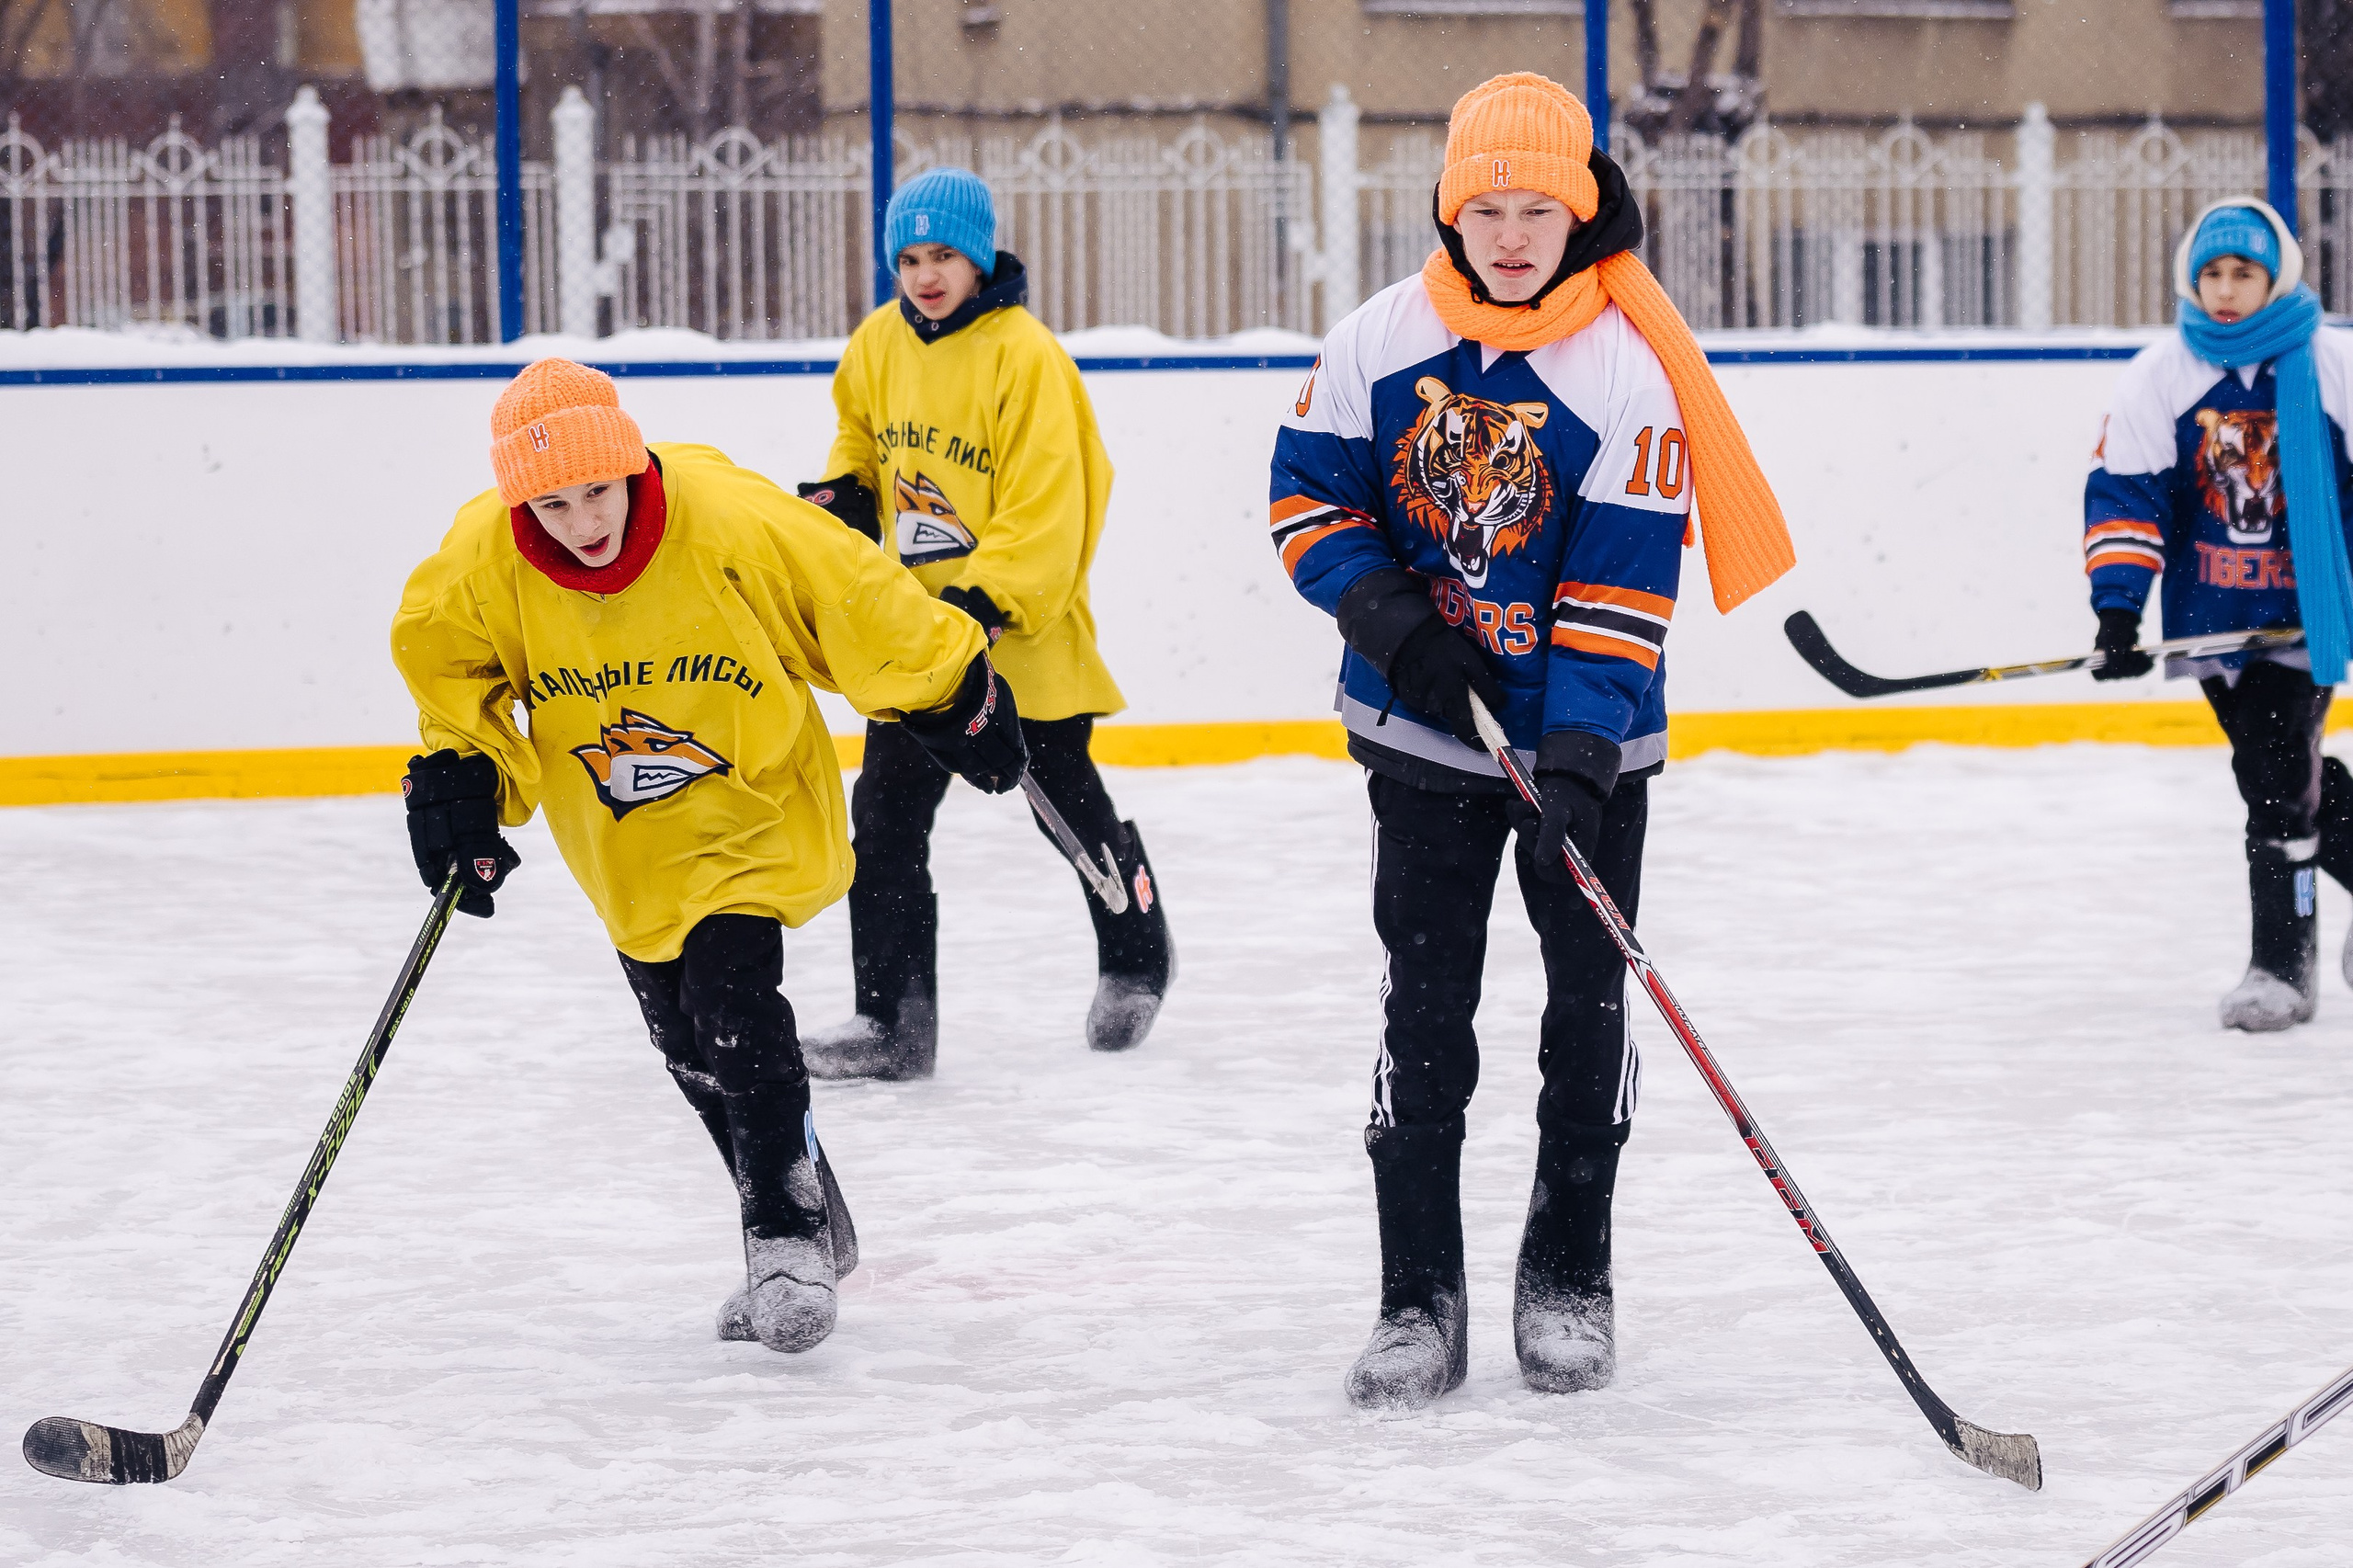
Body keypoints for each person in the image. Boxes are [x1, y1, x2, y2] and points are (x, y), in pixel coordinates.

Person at [1269, 73, 1794, 1410]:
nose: (1511, 233)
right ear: (1452, 215)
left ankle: (1569, 1269)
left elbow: (1623, 580)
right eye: (1486, 208)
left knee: (1587, 1007)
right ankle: (1415, 1293)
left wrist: (1575, 751)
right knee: (1425, 1013)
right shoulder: (1374, 343)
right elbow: (1305, 503)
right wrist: (1396, 621)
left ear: (1582, 215)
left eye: (1539, 209)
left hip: (1589, 751)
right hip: (1423, 738)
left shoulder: (1629, 368)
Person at [390, 358, 1027, 1355]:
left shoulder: (725, 516)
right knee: (684, 1040)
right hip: (625, 839)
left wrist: (954, 689)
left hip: (748, 799)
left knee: (735, 1004)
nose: (582, 519)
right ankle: (820, 1214)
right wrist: (459, 787)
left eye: (597, 490)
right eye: (552, 501)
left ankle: (782, 1238)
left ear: (631, 467)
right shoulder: (483, 559)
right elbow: (451, 673)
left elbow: (852, 590)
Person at [795, 165, 1176, 1080]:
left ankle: (1136, 950)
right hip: (920, 640)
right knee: (882, 818)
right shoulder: (877, 344)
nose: (927, 274)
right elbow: (858, 437)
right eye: (911, 258)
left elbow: (1055, 499)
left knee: (1064, 810)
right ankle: (892, 1020)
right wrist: (843, 494)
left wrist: (988, 597)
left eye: (947, 256)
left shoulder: (1025, 355)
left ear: (980, 258)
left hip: (1020, 637)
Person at [2084, 199, 2353, 1032]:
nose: (2227, 289)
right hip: (2211, 621)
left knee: (2274, 780)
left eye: (2244, 273)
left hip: (2305, 614)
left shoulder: (2327, 362)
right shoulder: (2161, 374)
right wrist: (2119, 615)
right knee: (2274, 772)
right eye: (2213, 273)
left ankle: (2283, 966)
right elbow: (2127, 496)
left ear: (2277, 278)